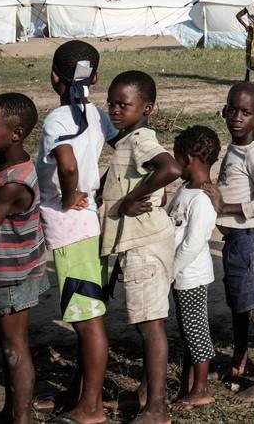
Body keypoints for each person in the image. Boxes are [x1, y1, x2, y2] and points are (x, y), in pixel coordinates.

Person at [34, 41, 110, 423]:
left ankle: (91, 408)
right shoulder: (96, 115)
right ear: (94, 78)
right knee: (89, 313)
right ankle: (80, 394)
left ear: (54, 76)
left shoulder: (57, 120)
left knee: (87, 320)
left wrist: (69, 194)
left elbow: (66, 163)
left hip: (71, 227)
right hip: (88, 223)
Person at [101, 71, 183, 423]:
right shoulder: (125, 140)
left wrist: (131, 199)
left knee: (151, 326)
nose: (115, 110)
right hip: (140, 242)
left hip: (145, 245)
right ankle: (146, 394)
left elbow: (171, 167)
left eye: (124, 104)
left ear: (146, 107)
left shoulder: (141, 139)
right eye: (111, 103)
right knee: (144, 322)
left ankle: (156, 408)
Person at [0, 93, 45, 424]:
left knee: (15, 346)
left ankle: (21, 418)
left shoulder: (13, 184)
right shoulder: (2, 161)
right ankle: (12, 412)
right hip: (11, 267)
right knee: (7, 339)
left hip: (15, 273)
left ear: (16, 133)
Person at [208, 83, 254, 388]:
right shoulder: (234, 147)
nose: (237, 117)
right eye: (232, 110)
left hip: (250, 239)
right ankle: (239, 360)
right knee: (238, 303)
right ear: (224, 110)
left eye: (245, 113)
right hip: (235, 239)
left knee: (253, 307)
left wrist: (226, 205)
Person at [167, 126, 220, 412]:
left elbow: (192, 243)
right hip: (180, 276)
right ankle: (189, 384)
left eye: (176, 158)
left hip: (190, 276)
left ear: (188, 158)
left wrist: (169, 272)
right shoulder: (186, 189)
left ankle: (200, 389)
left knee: (196, 330)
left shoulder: (202, 200)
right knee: (189, 330)